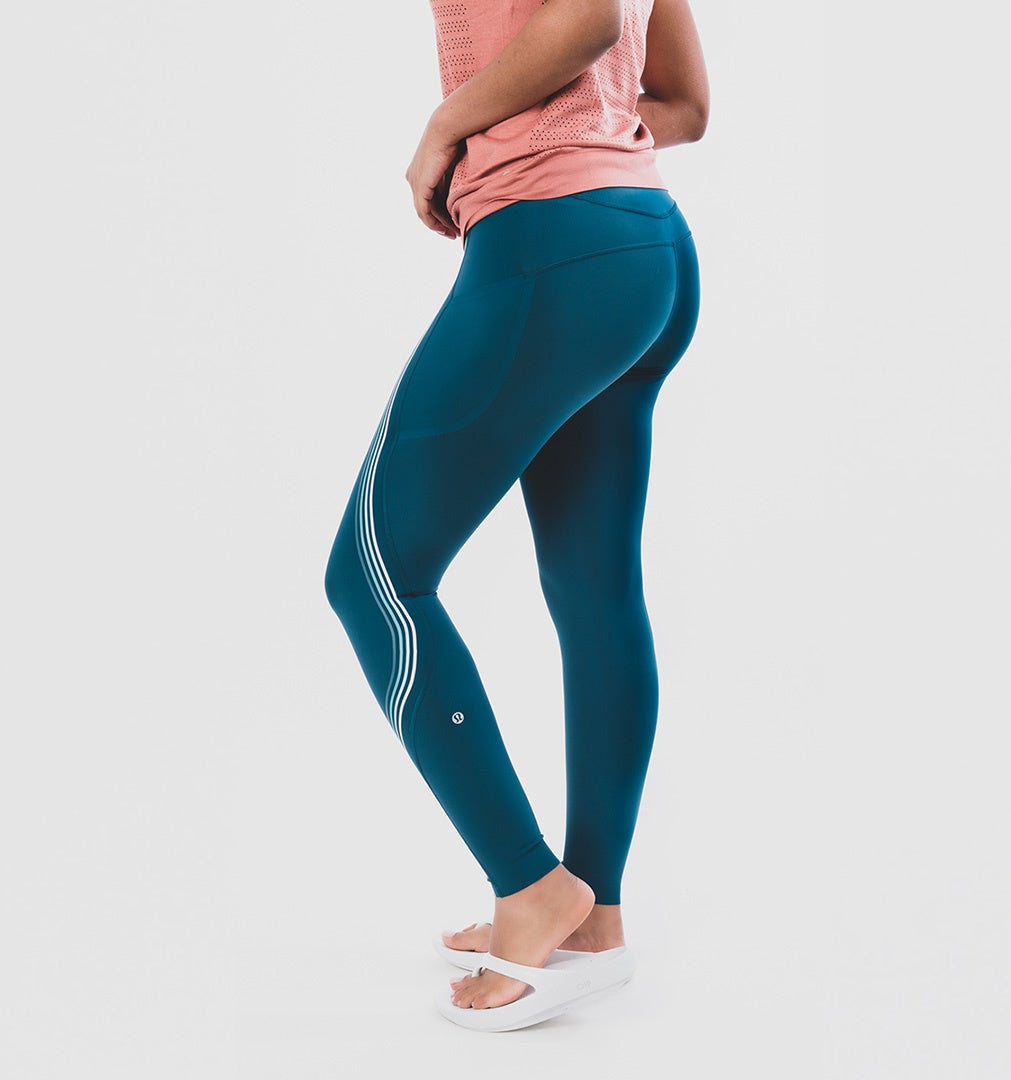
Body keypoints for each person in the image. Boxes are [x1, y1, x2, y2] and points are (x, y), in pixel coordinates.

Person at [323, 0, 708, 1030]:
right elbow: (683, 104)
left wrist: (448, 127)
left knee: (372, 577)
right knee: (594, 589)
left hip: (554, 249)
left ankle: (532, 887)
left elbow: (586, 18)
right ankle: (594, 916)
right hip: (645, 246)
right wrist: (582, 133)